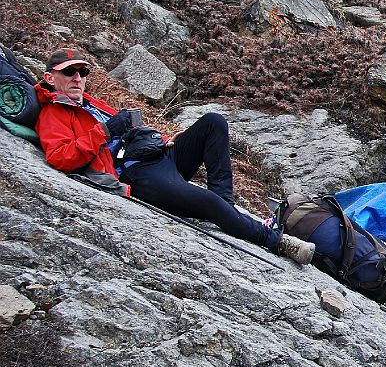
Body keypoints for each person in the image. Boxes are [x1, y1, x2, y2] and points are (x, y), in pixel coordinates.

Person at [35, 48, 314, 265]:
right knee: (205, 200)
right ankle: (276, 241)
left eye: (82, 72)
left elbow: (131, 134)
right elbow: (61, 158)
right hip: (139, 172)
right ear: (50, 78)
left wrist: (162, 141)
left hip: (158, 156)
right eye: (69, 72)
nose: (78, 79)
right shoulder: (53, 114)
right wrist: (105, 131)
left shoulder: (90, 104)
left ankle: (224, 208)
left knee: (213, 122)